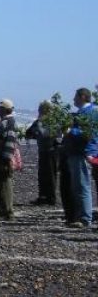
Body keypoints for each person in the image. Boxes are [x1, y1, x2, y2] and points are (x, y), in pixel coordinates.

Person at [62, 88, 98, 228]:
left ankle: (85, 217)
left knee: (82, 185)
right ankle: (80, 215)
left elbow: (89, 132)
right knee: (77, 185)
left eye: (75, 97)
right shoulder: (84, 112)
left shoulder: (90, 112)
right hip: (76, 151)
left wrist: (70, 131)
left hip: (82, 152)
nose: (73, 100)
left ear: (82, 97)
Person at [0, 99, 18, 221]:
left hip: (2, 158)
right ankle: (2, 209)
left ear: (5, 109)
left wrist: (7, 159)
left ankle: (8, 212)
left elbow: (10, 142)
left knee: (5, 184)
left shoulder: (8, 122)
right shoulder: (5, 122)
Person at [25, 101, 60, 206]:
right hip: (43, 150)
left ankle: (51, 197)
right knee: (42, 174)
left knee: (50, 174)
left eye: (41, 109)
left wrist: (36, 131)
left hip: (51, 150)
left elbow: (47, 134)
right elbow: (29, 132)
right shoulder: (39, 121)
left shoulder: (53, 121)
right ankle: (43, 196)